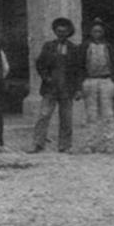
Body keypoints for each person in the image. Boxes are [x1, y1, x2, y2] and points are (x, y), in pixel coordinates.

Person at [31, 17, 84, 153]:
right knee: (44, 115)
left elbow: (78, 71)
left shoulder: (73, 49)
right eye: (58, 31)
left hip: (66, 89)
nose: (61, 34)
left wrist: (78, 89)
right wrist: (46, 77)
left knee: (66, 118)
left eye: (64, 32)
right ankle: (38, 143)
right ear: (55, 32)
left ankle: (65, 145)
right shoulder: (48, 46)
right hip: (50, 88)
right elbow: (40, 64)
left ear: (68, 33)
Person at [79, 19, 114, 153]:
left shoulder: (108, 47)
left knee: (107, 114)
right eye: (95, 31)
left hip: (105, 80)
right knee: (91, 114)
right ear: (90, 32)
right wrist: (80, 85)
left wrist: (113, 80)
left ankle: (108, 143)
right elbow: (79, 66)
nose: (97, 34)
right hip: (90, 80)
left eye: (100, 31)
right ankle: (90, 143)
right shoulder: (85, 47)